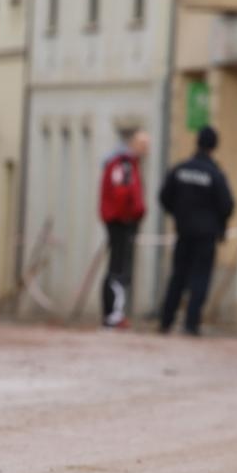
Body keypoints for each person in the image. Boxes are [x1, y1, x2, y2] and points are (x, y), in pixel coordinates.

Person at [158, 125, 235, 336]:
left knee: (178, 276)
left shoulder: (180, 169)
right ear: (214, 146)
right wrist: (217, 223)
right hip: (206, 235)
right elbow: (227, 204)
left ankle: (166, 320)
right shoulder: (215, 174)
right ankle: (191, 323)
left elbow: (164, 197)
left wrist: (179, 214)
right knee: (200, 278)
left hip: (184, 231)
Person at [99, 128, 149, 328]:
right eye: (144, 145)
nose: (147, 150)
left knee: (119, 267)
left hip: (122, 220)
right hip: (121, 221)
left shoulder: (128, 164)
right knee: (118, 269)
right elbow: (121, 193)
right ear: (135, 144)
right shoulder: (124, 165)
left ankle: (114, 313)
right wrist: (130, 215)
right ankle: (113, 314)